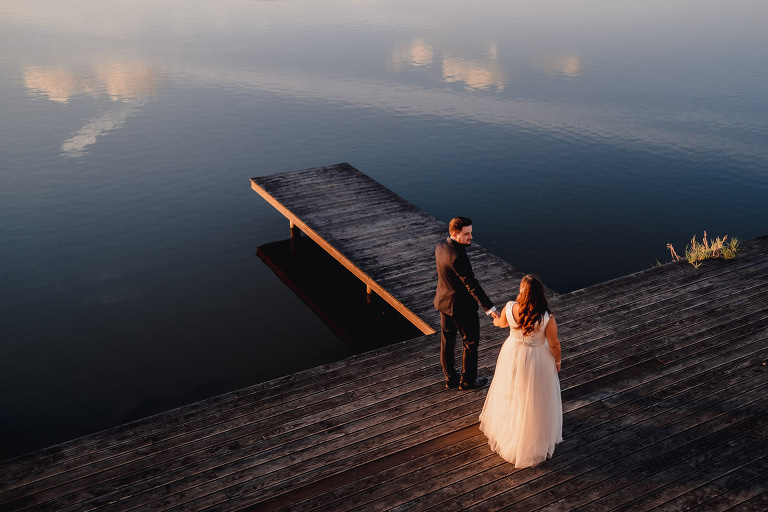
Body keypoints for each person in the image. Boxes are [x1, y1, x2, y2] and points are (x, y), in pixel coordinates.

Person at [479, 274, 563, 467]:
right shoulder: (546, 317)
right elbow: (554, 343)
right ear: (540, 294)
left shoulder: (510, 308)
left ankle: (508, 429)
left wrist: (496, 320)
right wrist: (557, 360)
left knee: (510, 391)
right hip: (537, 359)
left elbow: (500, 323)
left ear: (521, 291)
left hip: (513, 353)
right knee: (533, 397)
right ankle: (531, 437)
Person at [434, 216, 499, 390]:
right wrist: (489, 308)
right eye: (467, 234)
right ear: (454, 234)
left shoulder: (441, 246)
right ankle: (468, 380)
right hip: (462, 308)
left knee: (447, 342)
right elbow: (471, 284)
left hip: (443, 303)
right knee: (470, 343)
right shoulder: (458, 256)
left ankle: (450, 379)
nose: (471, 237)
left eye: (471, 232)